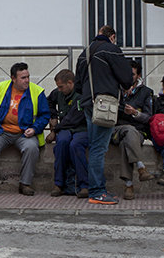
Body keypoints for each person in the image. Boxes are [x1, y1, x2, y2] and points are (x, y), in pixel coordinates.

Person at [75, 25, 133, 205]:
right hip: (105, 105)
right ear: (112, 36)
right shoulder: (112, 50)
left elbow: (78, 85)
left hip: (88, 104)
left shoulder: (84, 53)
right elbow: (127, 79)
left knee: (94, 147)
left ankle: (96, 188)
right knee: (99, 149)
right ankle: (97, 192)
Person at [0, 62, 49, 197]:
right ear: (13, 78)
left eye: (28, 77)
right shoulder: (1, 87)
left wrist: (34, 129)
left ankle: (25, 184)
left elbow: (45, 116)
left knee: (32, 148)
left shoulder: (37, 91)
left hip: (24, 133)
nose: (27, 80)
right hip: (1, 131)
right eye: (23, 78)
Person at [112, 60, 156, 200]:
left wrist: (135, 113)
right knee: (128, 131)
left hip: (138, 132)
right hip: (116, 130)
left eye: (131, 74)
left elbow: (149, 117)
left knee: (128, 140)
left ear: (138, 76)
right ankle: (141, 167)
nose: (127, 77)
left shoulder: (146, 92)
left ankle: (129, 185)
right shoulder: (115, 90)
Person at [46, 69, 88, 198]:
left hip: (80, 128)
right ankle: (58, 183)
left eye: (61, 87)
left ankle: (84, 185)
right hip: (65, 128)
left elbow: (73, 119)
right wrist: (53, 116)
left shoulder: (80, 95)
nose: (59, 89)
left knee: (75, 145)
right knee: (62, 143)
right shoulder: (58, 93)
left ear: (70, 83)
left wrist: (55, 130)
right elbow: (49, 102)